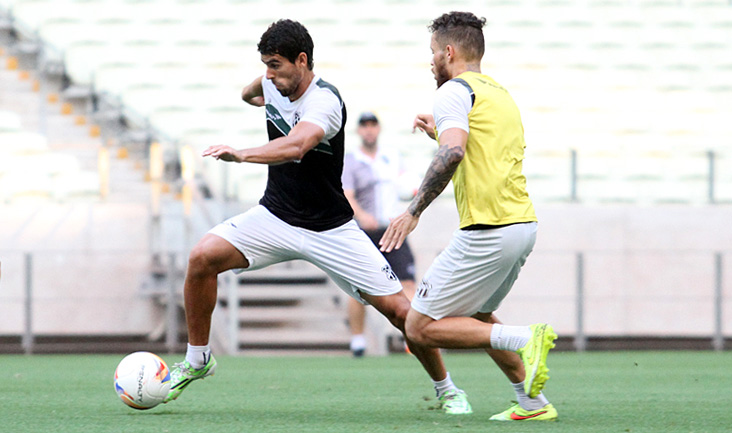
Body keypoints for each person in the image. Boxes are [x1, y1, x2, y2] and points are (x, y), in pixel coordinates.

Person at [163, 19, 472, 415]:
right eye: (266, 65)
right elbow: (252, 90)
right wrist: (253, 92)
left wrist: (242, 153)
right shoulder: (272, 82)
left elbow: (297, 145)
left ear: (303, 60)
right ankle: (198, 359)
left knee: (400, 312)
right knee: (201, 258)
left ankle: (446, 388)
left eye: (276, 65)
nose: (269, 73)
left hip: (332, 228)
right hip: (275, 216)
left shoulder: (325, 101)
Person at [380, 12, 559, 421]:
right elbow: (474, 147)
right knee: (477, 316)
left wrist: (413, 212)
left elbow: (455, 152)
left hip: (488, 230)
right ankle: (532, 403)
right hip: (522, 226)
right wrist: (439, 133)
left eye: (432, 54)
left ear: (449, 51)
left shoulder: (452, 92)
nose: (430, 63)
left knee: (419, 328)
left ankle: (525, 338)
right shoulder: (500, 94)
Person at [342, 111, 417, 357]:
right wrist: (362, 216)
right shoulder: (352, 161)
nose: (369, 130)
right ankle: (358, 339)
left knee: (408, 283)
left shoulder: (392, 157)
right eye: (364, 125)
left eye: (373, 125)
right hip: (365, 231)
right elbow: (347, 194)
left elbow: (406, 185)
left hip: (392, 229)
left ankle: (413, 336)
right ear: (358, 131)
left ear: (378, 129)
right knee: (359, 288)